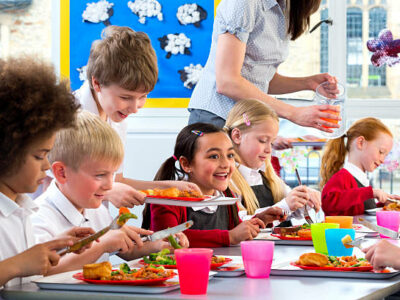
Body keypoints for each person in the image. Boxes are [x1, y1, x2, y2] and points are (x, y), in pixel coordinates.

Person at [32, 111, 189, 275]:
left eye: (112, 174)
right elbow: (44, 271)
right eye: (100, 175)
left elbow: (123, 250)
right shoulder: (38, 219)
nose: (109, 185)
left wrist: (158, 245)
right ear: (62, 173)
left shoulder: (97, 210)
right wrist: (103, 245)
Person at [75, 25, 200, 208]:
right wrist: (108, 192)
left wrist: (168, 187)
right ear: (97, 83)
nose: (135, 108)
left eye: (143, 96)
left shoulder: (116, 118)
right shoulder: (69, 119)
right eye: (126, 97)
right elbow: (62, 183)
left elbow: (117, 181)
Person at [188, 0, 340, 133]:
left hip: (246, 121)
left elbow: (259, 80)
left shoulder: (281, 7)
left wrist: (307, 83)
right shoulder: (244, 3)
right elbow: (227, 82)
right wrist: (293, 113)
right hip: (217, 116)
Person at [0, 57, 85, 287]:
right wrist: (16, 265)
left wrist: (52, 248)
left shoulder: (23, 208)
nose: (47, 166)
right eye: (39, 156)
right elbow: (15, 265)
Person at [145, 123, 286, 248]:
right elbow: (168, 238)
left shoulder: (226, 196)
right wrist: (229, 237)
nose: (225, 164)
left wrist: (259, 221)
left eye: (230, 155)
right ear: (186, 164)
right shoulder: (167, 199)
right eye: (214, 156)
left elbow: (233, 231)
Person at [224, 99, 323, 225]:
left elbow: (289, 206)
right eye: (262, 140)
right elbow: (237, 223)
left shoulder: (269, 177)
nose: (269, 149)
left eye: (271, 142)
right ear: (237, 136)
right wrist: (285, 206)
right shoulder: (226, 181)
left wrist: (304, 200)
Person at [320, 117, 400, 216]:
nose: (382, 160)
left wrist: (384, 205)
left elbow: (359, 209)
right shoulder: (342, 177)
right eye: (381, 152)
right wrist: (370, 193)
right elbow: (328, 204)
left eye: (385, 155)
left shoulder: (362, 181)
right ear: (361, 143)